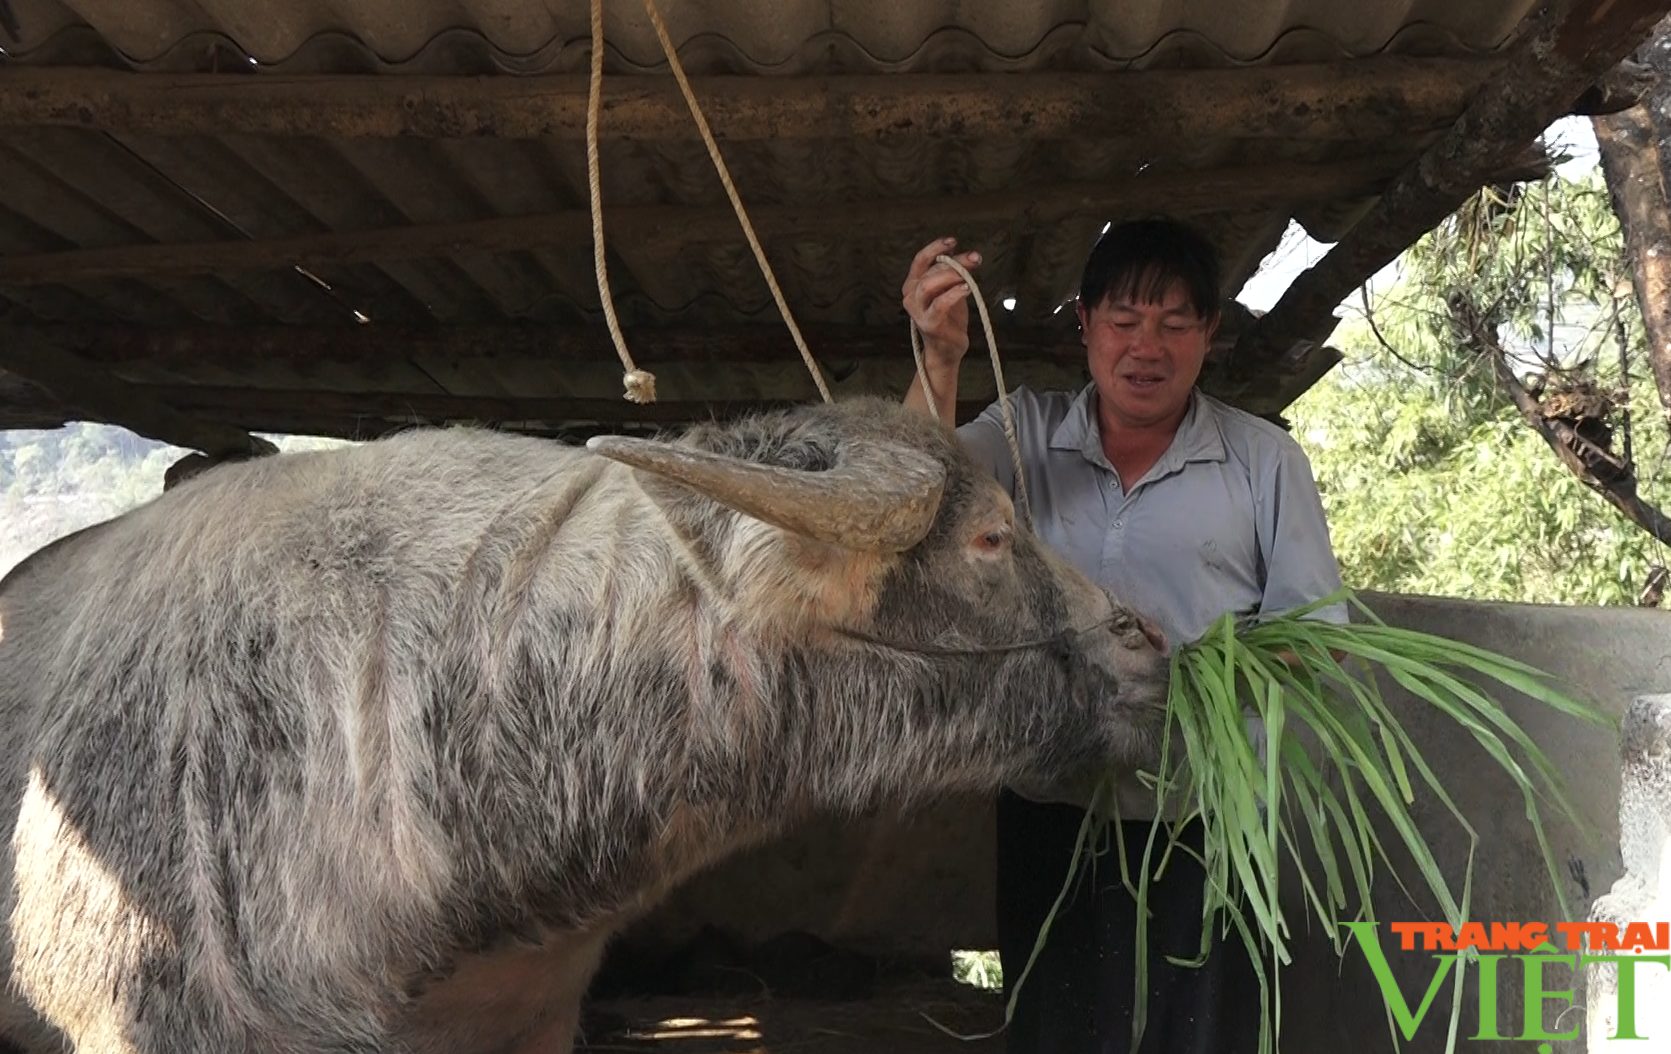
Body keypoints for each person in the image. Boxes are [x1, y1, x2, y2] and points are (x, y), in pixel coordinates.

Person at [899, 218, 1348, 1054]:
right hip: (1050, 805)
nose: (1147, 345)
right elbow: (912, 497)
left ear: (1209, 335)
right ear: (1084, 325)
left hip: (1204, 819)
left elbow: (1314, 640)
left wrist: (1181, 675)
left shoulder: (1263, 462)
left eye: (1176, 323)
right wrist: (938, 358)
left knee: (1198, 1036)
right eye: (1124, 319)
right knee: (1054, 1032)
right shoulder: (1021, 435)